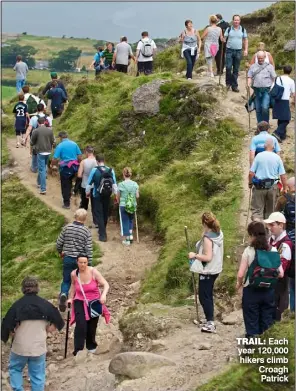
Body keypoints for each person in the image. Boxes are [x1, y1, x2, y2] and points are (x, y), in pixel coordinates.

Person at [1, 277, 64, 391]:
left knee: (15, 369)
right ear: (37, 288)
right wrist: (47, 329)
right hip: (38, 347)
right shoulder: (46, 305)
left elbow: (6, 326)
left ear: (23, 289)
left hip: (20, 347)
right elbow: (58, 322)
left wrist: (12, 334)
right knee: (38, 375)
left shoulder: (16, 305)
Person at [236, 221, 283, 338]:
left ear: (252, 235)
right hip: (268, 292)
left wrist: (239, 284)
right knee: (267, 321)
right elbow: (281, 273)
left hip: (251, 291)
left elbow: (241, 273)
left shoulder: (248, 251)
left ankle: (251, 350)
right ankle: (266, 349)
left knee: (251, 322)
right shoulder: (273, 250)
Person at [188, 212, 224, 333]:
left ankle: (210, 323)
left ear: (204, 223)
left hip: (208, 270)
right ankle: (209, 319)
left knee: (204, 297)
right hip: (215, 268)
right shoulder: (218, 233)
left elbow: (208, 257)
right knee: (207, 294)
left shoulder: (208, 238)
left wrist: (195, 255)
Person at [68, 256, 110, 356]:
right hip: (79, 300)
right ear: (77, 262)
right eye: (81, 262)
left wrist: (103, 295)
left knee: (92, 325)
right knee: (80, 325)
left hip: (94, 301)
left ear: (87, 262)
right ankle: (78, 350)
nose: (83, 265)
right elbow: (73, 286)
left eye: (85, 262)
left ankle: (91, 346)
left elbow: (105, 284)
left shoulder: (93, 272)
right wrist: (70, 297)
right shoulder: (74, 274)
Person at [56, 209, 93, 312]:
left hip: (67, 258)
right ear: (85, 219)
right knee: (79, 280)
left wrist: (60, 252)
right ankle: (77, 301)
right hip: (80, 260)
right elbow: (88, 248)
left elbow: (59, 242)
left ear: (75, 216)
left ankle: (63, 294)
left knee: (66, 279)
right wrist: (89, 263)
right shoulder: (86, 231)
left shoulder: (67, 228)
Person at [249, 138, 287, 221]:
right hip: (272, 187)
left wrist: (250, 183)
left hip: (259, 187)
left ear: (264, 146)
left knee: (257, 212)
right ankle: (269, 232)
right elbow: (283, 175)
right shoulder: (277, 158)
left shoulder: (259, 156)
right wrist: (285, 188)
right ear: (273, 147)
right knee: (271, 213)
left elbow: (251, 173)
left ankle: (258, 231)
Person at [264, 212, 293, 321]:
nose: (269, 228)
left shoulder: (285, 244)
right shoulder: (270, 239)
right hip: (268, 283)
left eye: (272, 225)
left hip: (279, 286)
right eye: (268, 225)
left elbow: (280, 270)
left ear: (281, 225)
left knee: (276, 316)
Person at [86, 155, 117, 242]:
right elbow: (114, 184)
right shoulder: (110, 170)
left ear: (97, 161)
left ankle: (103, 235)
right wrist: (115, 195)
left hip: (97, 195)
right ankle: (102, 229)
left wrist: (87, 193)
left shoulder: (94, 170)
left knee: (99, 213)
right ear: (104, 160)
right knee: (105, 213)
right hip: (108, 194)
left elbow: (89, 183)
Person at [50, 131, 82, 209]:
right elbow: (79, 156)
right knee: (71, 182)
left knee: (65, 185)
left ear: (61, 137)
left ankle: (66, 203)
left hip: (65, 168)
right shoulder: (74, 144)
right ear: (67, 136)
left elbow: (55, 158)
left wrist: (52, 164)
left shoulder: (60, 145)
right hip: (74, 167)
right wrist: (80, 165)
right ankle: (71, 194)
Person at [247, 51, 276, 123]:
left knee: (265, 107)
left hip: (266, 90)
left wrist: (272, 87)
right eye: (259, 58)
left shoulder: (270, 66)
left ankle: (265, 124)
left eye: (261, 58)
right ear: (257, 58)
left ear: (264, 57)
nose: (260, 59)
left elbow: (274, 78)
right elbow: (249, 76)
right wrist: (248, 83)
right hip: (256, 90)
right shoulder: (253, 66)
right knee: (258, 108)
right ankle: (260, 125)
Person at [24, 103, 53, 173]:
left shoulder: (34, 118)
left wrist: (25, 137)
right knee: (45, 153)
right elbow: (50, 129)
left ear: (37, 109)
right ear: (44, 109)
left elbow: (29, 129)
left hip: (36, 137)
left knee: (35, 152)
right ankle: (45, 168)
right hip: (46, 137)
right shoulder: (48, 118)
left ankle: (34, 168)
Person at [30, 117, 55, 195]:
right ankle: (39, 182)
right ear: (45, 122)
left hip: (40, 152)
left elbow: (31, 142)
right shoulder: (50, 130)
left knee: (42, 170)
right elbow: (52, 141)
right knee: (43, 167)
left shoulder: (36, 131)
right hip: (48, 151)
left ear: (38, 123)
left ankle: (43, 189)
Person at [224, 15, 248, 92]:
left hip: (238, 51)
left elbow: (245, 40)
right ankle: (228, 84)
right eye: (235, 20)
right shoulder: (229, 29)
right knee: (228, 67)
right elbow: (224, 39)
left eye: (238, 20)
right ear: (233, 21)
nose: (236, 22)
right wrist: (223, 39)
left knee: (236, 69)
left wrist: (246, 50)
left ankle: (234, 86)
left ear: (239, 21)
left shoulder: (243, 29)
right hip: (229, 50)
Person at [272, 65, 296, 143]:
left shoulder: (278, 78)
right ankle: (277, 132)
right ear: (290, 71)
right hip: (285, 100)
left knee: (280, 117)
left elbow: (272, 87)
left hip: (277, 100)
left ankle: (282, 135)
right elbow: (293, 93)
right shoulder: (291, 81)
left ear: (283, 70)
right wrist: (293, 101)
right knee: (287, 119)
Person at [117, 167, 139, 246]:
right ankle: (131, 236)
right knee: (130, 220)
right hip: (132, 205)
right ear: (131, 174)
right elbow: (137, 196)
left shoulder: (120, 184)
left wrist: (119, 202)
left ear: (123, 174)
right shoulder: (135, 184)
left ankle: (127, 240)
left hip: (123, 205)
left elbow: (118, 196)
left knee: (125, 221)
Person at [77, 146, 98, 227]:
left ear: (86, 152)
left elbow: (79, 175)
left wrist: (84, 175)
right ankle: (96, 222)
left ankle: (80, 220)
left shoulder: (83, 162)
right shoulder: (96, 162)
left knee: (84, 204)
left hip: (85, 185)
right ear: (93, 152)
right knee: (94, 204)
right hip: (94, 186)